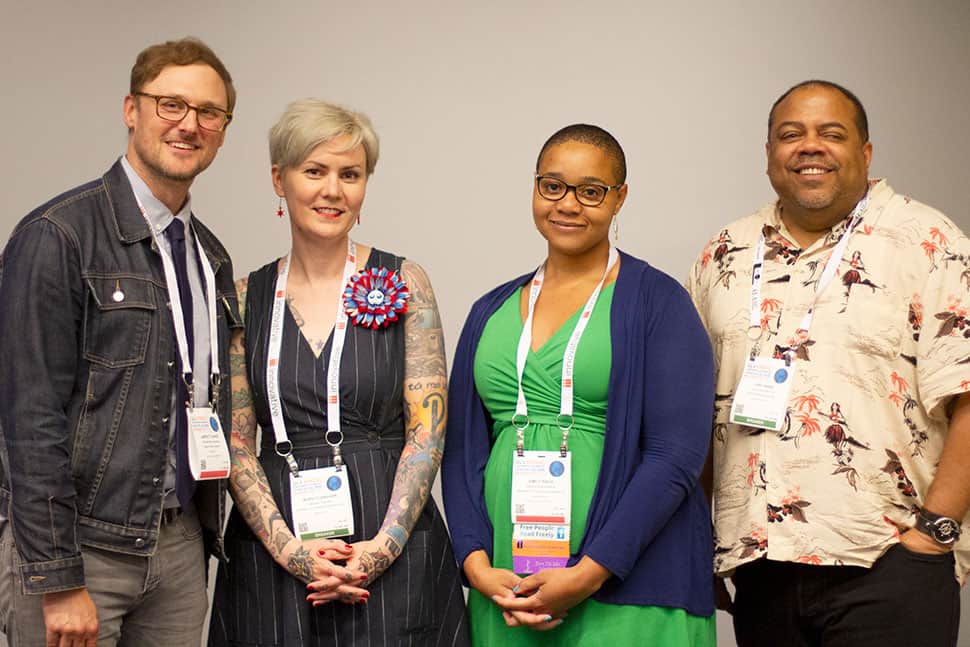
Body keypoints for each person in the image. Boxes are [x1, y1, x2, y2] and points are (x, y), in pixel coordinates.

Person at [687, 80, 970, 647]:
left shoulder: (929, 241)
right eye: (790, 135)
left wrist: (933, 535)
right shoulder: (727, 251)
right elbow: (697, 409)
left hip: (887, 563)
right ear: (769, 155)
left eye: (830, 134)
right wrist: (698, 541)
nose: (809, 146)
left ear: (865, 153)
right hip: (761, 567)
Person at [0, 37, 240, 646]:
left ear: (222, 130)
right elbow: (29, 419)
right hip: (83, 550)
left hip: (181, 551)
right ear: (131, 109)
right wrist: (57, 577)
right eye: (170, 105)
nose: (189, 124)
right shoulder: (58, 236)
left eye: (209, 112)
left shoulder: (209, 257)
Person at [442, 124, 717, 645]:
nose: (568, 204)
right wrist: (476, 565)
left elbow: (675, 458)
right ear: (535, 187)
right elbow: (460, 456)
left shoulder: (659, 304)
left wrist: (589, 573)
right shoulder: (489, 311)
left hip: (631, 587)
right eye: (553, 186)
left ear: (620, 199)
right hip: (509, 590)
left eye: (591, 191)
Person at [208, 99, 469, 646]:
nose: (333, 190)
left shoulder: (404, 281)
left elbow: (428, 430)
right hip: (275, 558)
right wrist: (292, 552)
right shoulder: (245, 299)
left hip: (389, 545)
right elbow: (235, 443)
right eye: (314, 171)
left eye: (350, 175)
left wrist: (383, 546)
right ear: (279, 180)